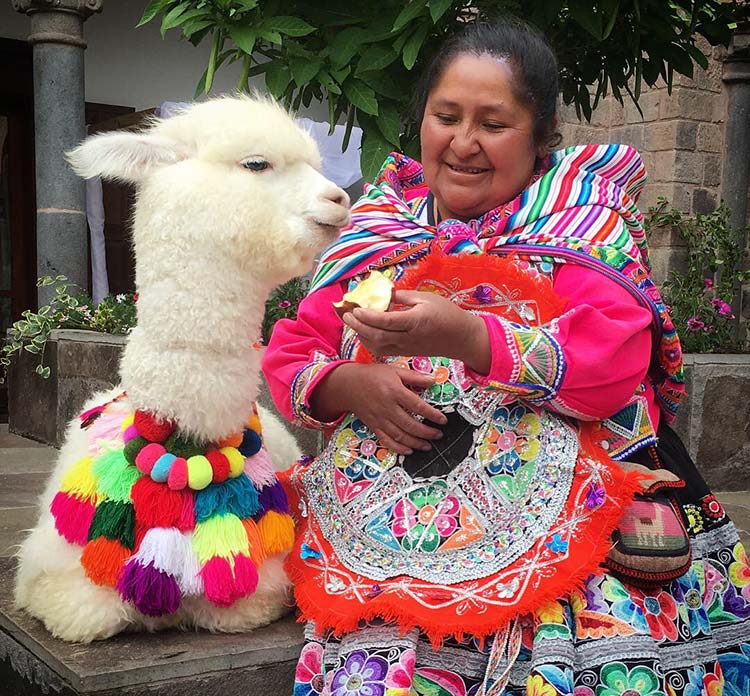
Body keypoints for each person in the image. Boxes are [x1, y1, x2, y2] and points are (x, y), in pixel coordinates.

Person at [262, 19, 750, 696]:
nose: (463, 143)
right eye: (446, 116)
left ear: (542, 135)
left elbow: (612, 365)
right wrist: (350, 384)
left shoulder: (581, 224)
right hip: (393, 535)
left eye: (493, 123)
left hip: (575, 532)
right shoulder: (379, 234)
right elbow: (294, 347)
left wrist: (469, 337)